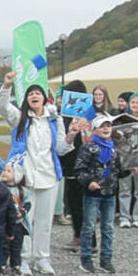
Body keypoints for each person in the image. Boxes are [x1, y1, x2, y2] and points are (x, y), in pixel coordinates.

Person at [0, 72, 75, 276]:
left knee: (44, 220)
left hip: (49, 175)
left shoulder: (53, 120)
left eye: (38, 93)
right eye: (30, 93)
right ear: (27, 99)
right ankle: (23, 259)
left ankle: (42, 258)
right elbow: (3, 107)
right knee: (24, 220)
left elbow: (60, 148)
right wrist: (6, 86)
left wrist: (71, 135)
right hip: (26, 176)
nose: (34, 95)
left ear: (44, 98)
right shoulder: (20, 118)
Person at [75, 115, 128, 273]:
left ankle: (106, 259)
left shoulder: (113, 148)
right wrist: (89, 182)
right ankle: (86, 258)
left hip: (110, 193)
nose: (106, 129)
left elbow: (118, 170)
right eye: (102, 126)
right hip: (93, 193)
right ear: (95, 129)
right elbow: (79, 170)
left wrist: (131, 168)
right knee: (89, 226)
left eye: (109, 126)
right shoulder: (88, 147)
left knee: (108, 227)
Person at [58, 81, 89, 253]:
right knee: (84, 202)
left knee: (76, 202)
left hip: (74, 164)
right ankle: (85, 237)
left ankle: (81, 237)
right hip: (88, 164)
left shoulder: (69, 117)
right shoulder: (91, 115)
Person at [115, 93, 138, 228]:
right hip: (125, 158)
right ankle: (125, 217)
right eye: (133, 102)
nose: (135, 105)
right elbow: (117, 141)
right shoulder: (122, 120)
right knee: (124, 190)